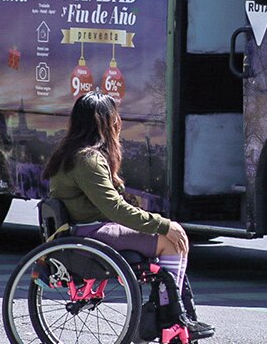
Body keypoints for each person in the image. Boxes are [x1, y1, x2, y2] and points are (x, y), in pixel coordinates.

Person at [44, 92, 213, 340]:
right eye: (115, 117)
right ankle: (170, 316)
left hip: (83, 229)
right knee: (172, 240)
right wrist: (163, 225)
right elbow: (115, 208)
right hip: (93, 232)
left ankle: (177, 312)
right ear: (104, 122)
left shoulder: (68, 153)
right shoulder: (88, 160)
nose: (118, 123)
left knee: (173, 236)